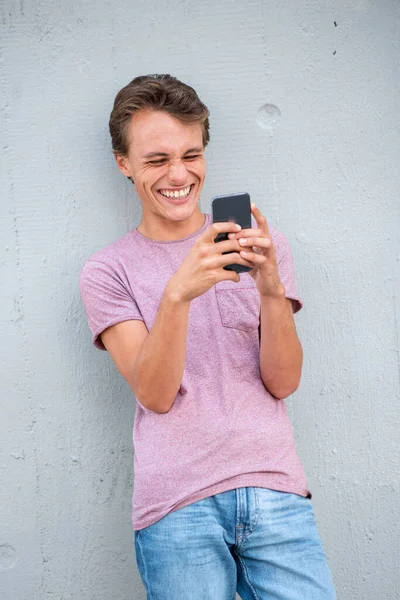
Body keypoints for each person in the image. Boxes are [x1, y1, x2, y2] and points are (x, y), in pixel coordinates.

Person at [79, 74, 336, 600]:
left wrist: (269, 290)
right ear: (123, 163)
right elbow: (155, 394)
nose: (179, 174)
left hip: (274, 486)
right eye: (156, 160)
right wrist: (177, 295)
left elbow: (283, 383)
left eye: (191, 154)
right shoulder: (108, 271)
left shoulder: (259, 246)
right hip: (176, 505)